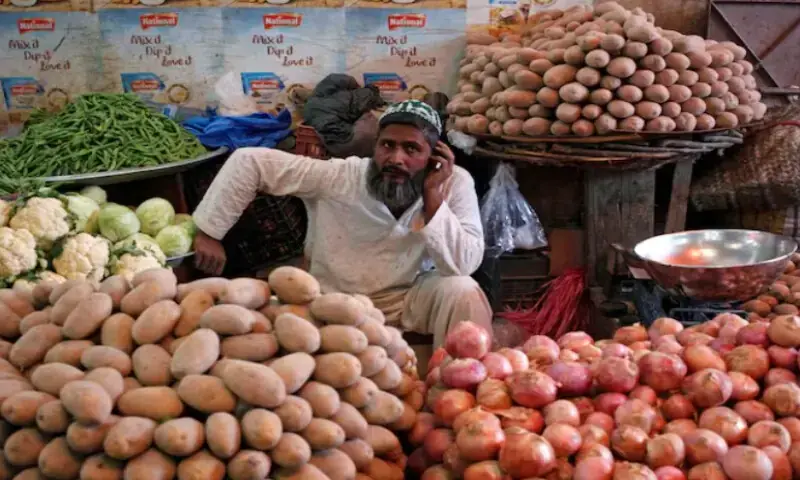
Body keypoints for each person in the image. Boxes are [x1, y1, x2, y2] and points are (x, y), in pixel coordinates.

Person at [192, 100, 492, 346]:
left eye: (411, 149)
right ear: (375, 147)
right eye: (387, 145)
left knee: (463, 290)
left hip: (407, 299)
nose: (396, 158)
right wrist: (210, 232)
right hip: (333, 302)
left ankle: (458, 389)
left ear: (434, 155)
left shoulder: (452, 183)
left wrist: (433, 198)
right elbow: (250, 162)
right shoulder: (340, 176)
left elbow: (464, 263)